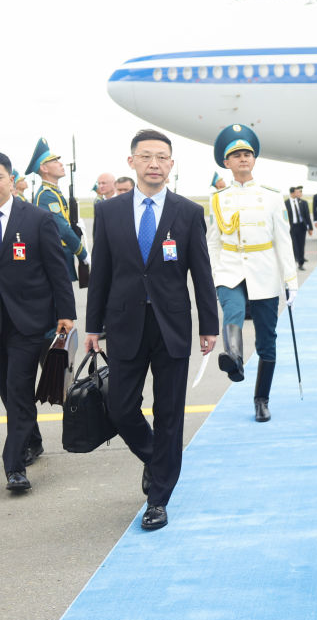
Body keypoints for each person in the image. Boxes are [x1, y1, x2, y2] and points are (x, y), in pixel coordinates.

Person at [84, 129, 218, 530]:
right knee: (121, 408)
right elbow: (100, 273)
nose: (154, 164)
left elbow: (202, 272)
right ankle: (157, 457)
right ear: (132, 162)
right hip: (124, 324)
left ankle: (158, 499)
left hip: (171, 325)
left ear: (171, 164)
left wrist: (208, 325)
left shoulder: (187, 212)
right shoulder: (109, 212)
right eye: (146, 156)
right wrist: (93, 326)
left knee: (169, 412)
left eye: (162, 157)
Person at [207, 124, 298, 422]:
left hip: (264, 269)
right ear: (226, 162)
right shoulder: (218, 198)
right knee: (232, 310)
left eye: (247, 154)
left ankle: (261, 399)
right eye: (236, 155)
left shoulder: (271, 196)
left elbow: (283, 240)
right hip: (230, 268)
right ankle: (234, 360)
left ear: (254, 160)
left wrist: (290, 280)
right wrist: (216, 273)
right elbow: (213, 241)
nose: (243, 158)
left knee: (266, 339)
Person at [0, 152, 75, 491]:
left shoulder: (37, 218)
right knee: (7, 392)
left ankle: (14, 467)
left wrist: (65, 314)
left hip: (26, 323)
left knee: (18, 392)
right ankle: (32, 438)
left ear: (11, 179)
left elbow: (57, 270)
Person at [26, 138, 88, 283]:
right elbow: (63, 229)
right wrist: (82, 254)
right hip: (55, 256)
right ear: (44, 168)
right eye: (55, 161)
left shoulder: (54, 192)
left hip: (61, 254)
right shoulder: (46, 195)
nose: (60, 164)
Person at [285, 185, 312, 269]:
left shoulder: (302, 202)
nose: (299, 193)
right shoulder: (286, 203)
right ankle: (294, 261)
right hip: (292, 227)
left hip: (301, 227)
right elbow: (284, 216)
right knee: (294, 245)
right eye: (297, 192)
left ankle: (301, 263)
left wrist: (310, 228)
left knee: (301, 245)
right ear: (292, 193)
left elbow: (307, 216)